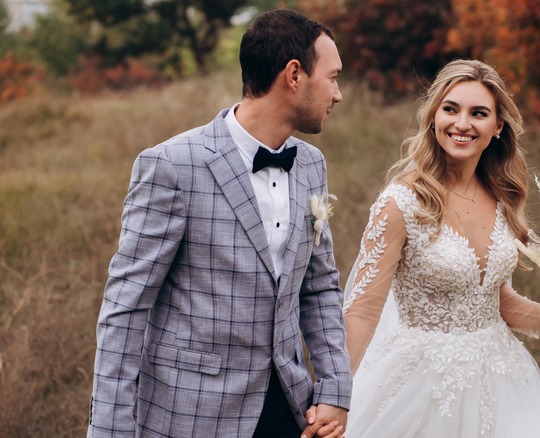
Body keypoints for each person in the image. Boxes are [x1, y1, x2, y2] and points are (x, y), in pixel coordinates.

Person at [87, 9, 351, 438]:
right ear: (294, 75)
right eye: (334, 77)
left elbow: (319, 286)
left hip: (289, 410)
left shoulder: (311, 164)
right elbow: (125, 308)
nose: (338, 94)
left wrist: (335, 387)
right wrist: (110, 432)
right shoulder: (172, 165)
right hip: (191, 416)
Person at [341, 59, 540, 437]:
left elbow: (489, 296)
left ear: (497, 127)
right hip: (419, 386)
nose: (462, 124)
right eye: (450, 109)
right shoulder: (402, 203)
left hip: (501, 379)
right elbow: (361, 310)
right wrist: (335, 392)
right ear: (433, 118)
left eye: (478, 113)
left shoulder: (502, 196)